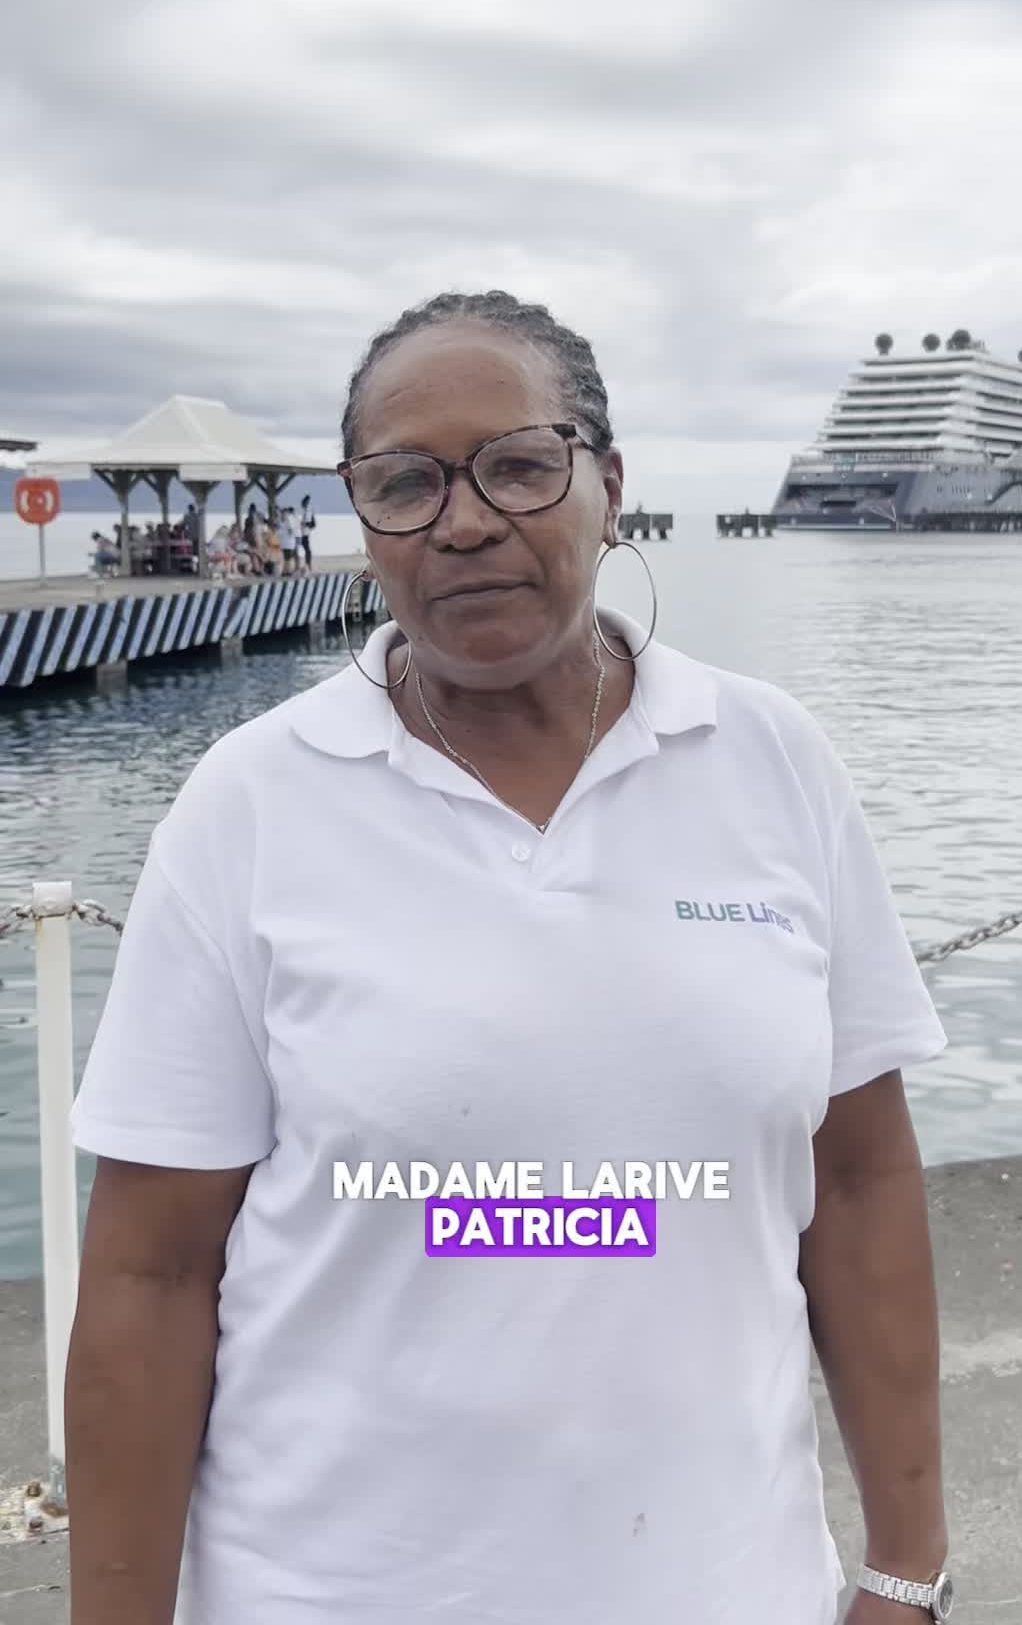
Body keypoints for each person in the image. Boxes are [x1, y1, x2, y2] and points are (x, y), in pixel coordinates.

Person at [67, 289, 951, 1625]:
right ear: (363, 525)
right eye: (404, 483)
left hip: (730, 1585)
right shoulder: (252, 804)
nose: (464, 518)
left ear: (608, 482)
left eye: (520, 466)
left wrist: (905, 1566)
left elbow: (864, 1176)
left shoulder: (770, 765)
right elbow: (149, 1271)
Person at [279, 504, 299, 575]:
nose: (283, 514)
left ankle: (288, 571)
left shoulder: (290, 520)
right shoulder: (281, 520)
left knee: (288, 557)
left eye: (285, 513)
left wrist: (287, 530)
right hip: (283, 541)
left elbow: (291, 530)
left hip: (289, 541)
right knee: (285, 557)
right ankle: (285, 571)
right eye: (283, 513)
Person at [299, 492, 316, 571]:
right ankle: (307, 565)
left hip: (304, 533)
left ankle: (307, 565)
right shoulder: (305, 511)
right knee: (307, 549)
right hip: (304, 533)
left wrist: (304, 524)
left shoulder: (307, 511)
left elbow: (310, 524)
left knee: (307, 549)